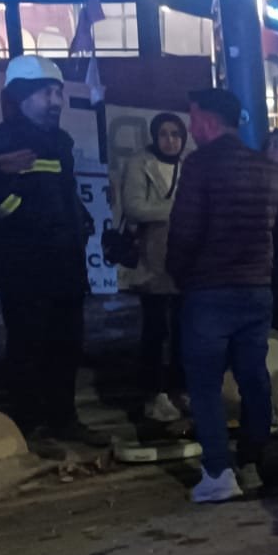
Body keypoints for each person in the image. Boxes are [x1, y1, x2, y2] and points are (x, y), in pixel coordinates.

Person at [166, 88, 278, 503]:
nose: (190, 128)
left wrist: (180, 275)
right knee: (253, 378)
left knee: (205, 385)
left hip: (209, 292)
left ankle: (217, 471)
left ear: (208, 120)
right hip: (256, 290)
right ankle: (253, 463)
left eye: (193, 119)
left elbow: (184, 233)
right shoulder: (270, 170)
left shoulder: (199, 166)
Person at [0, 55, 105, 454]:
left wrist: (79, 221)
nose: (57, 101)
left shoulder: (59, 142)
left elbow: (61, 193)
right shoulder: (0, 142)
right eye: (47, 92)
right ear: (22, 96)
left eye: (59, 92)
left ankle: (64, 419)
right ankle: (30, 426)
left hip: (64, 265)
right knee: (29, 348)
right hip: (25, 268)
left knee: (66, 346)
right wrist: (36, 222)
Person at [119, 112, 189, 425]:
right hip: (152, 262)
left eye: (176, 134)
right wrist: (180, 210)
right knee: (156, 330)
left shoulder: (191, 164)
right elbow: (134, 207)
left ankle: (179, 387)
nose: (170, 140)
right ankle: (153, 392)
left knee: (185, 330)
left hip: (187, 262)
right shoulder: (139, 163)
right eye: (164, 134)